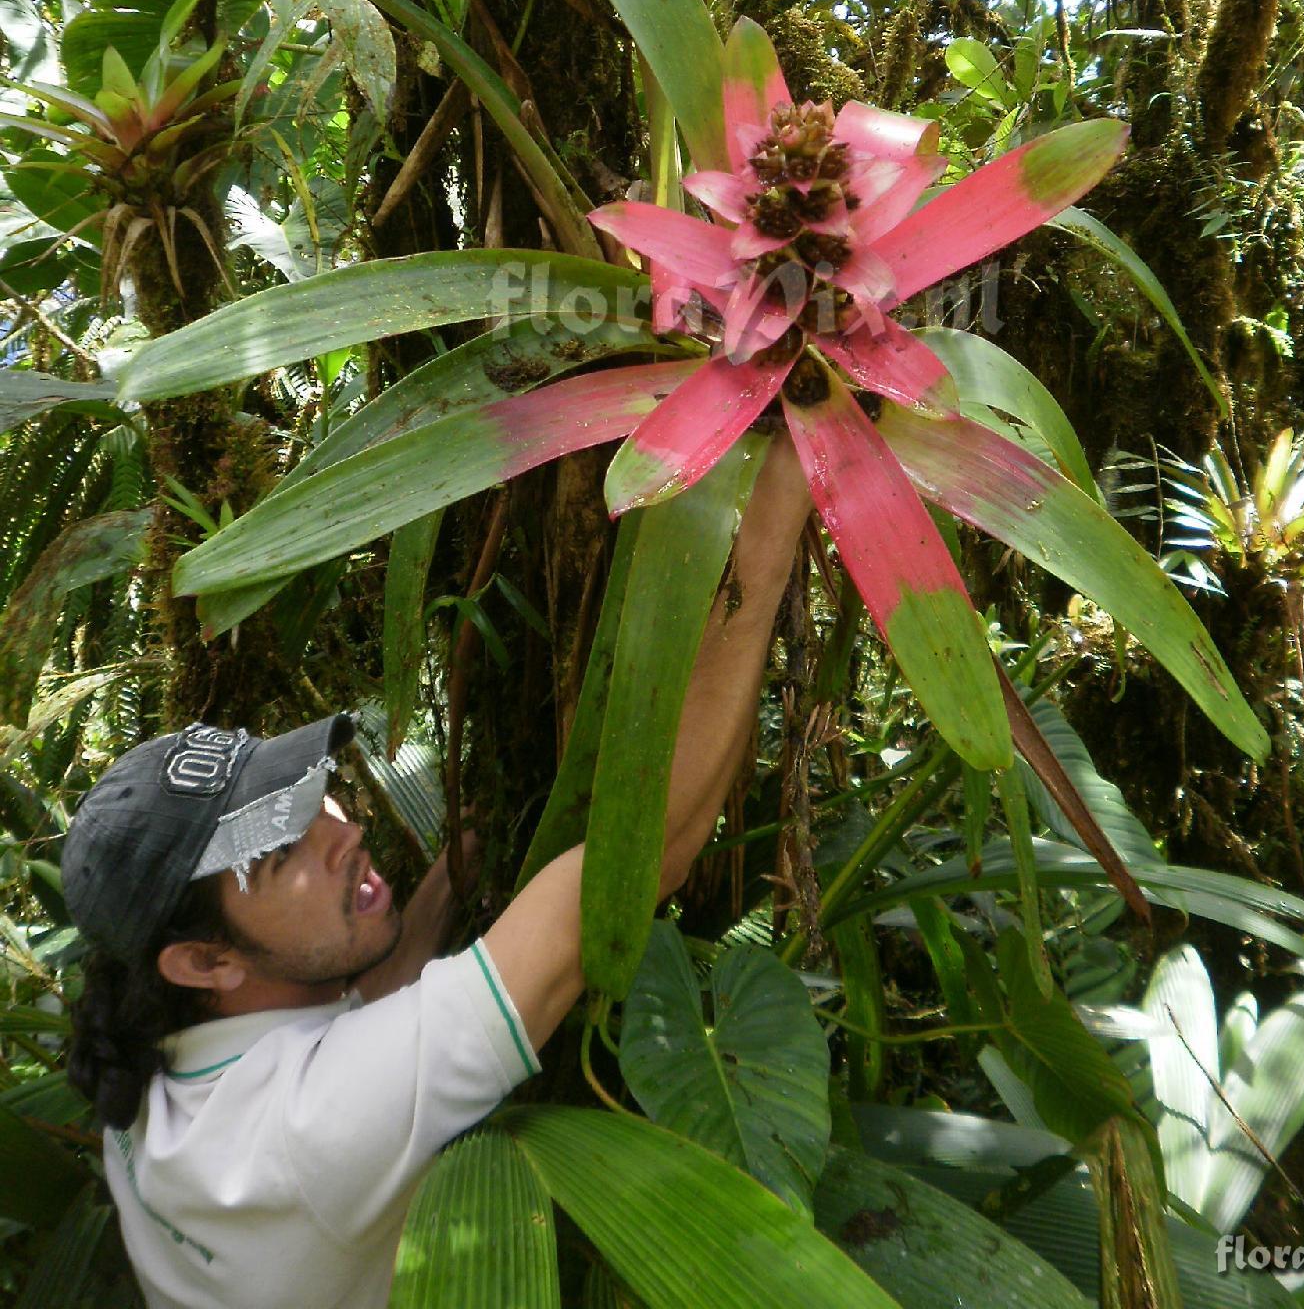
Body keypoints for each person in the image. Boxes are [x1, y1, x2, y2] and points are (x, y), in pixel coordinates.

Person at [61, 437, 810, 1309]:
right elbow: (644, 856)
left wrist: (447, 882)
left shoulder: (146, 1057)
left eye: (312, 797)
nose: (341, 833)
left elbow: (358, 1012)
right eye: (276, 853)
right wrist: (774, 517)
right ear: (202, 963)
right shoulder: (313, 1131)